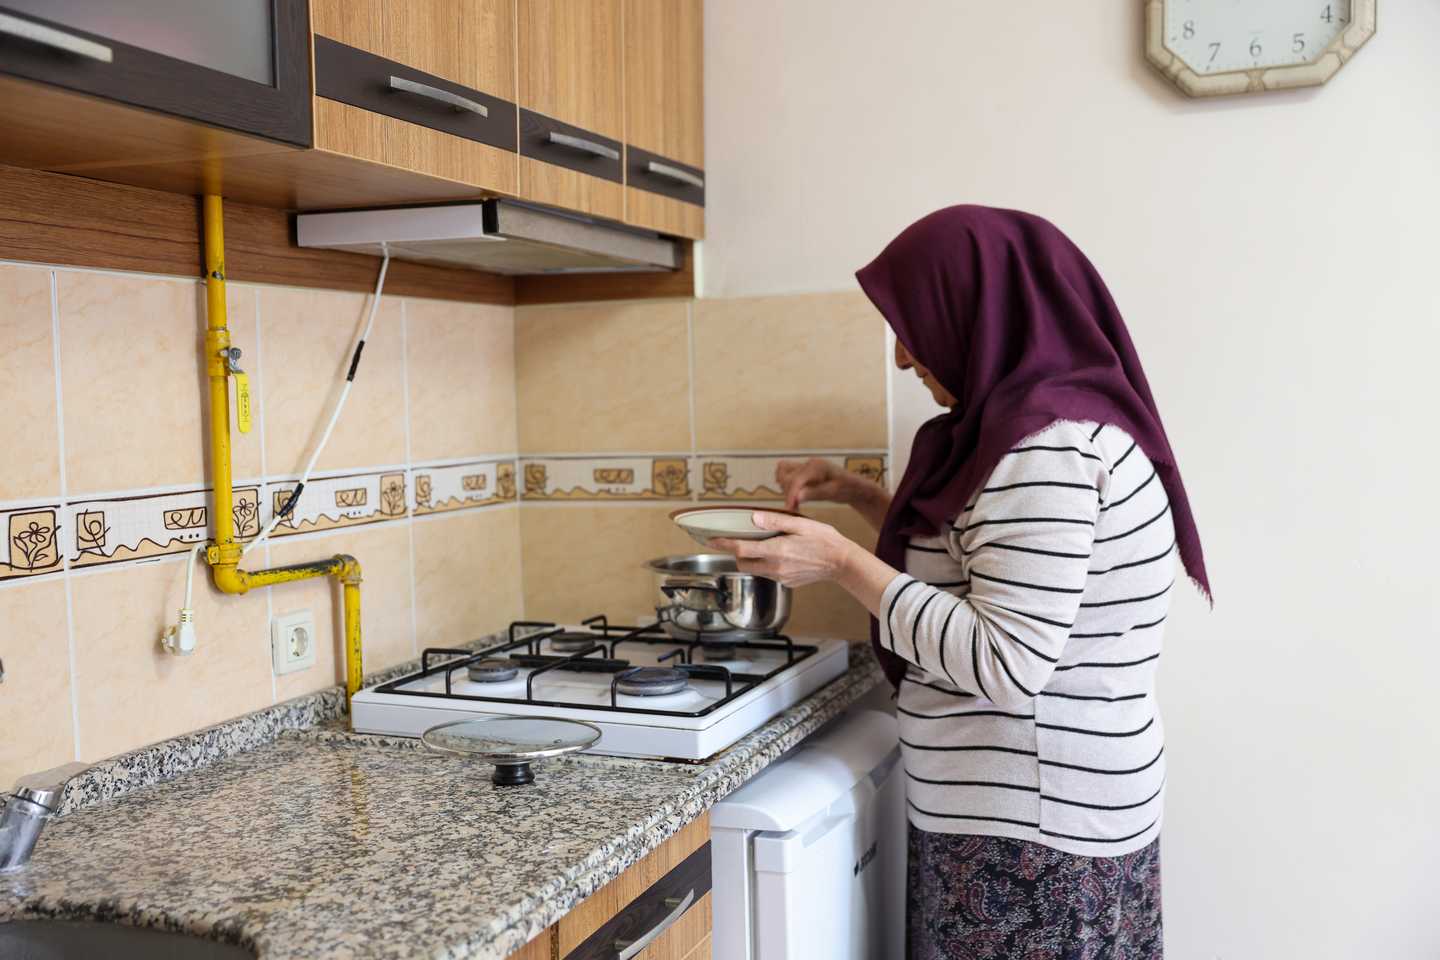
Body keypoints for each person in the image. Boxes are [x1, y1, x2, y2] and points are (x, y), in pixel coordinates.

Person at [710, 206, 1210, 959]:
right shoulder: (1064, 427)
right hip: (1055, 817)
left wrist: (842, 562)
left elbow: (1006, 661)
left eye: (909, 326)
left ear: (975, 310)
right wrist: (859, 494)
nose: (902, 358)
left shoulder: (1045, 450)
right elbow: (995, 562)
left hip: (1030, 839)